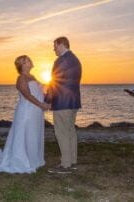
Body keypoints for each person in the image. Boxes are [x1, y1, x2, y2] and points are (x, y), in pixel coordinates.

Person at [46, 36, 82, 174]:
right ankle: (72, 160)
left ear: (61, 45)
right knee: (70, 131)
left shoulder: (61, 60)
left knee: (61, 133)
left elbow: (55, 81)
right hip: (73, 102)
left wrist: (47, 100)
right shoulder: (75, 59)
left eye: (54, 46)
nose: (53, 49)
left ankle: (65, 164)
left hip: (62, 102)